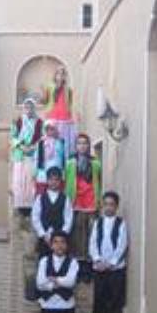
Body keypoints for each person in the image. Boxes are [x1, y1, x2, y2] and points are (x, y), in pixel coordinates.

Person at [89, 191, 128, 313]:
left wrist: (112, 263)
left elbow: (122, 244)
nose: (108, 207)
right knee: (100, 294)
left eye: (111, 205)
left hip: (115, 267)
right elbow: (93, 242)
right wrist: (97, 259)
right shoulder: (97, 222)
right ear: (102, 206)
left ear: (116, 206)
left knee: (114, 294)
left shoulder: (121, 223)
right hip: (99, 266)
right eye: (106, 204)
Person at [65, 133, 101, 281]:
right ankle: (79, 270)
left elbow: (99, 181)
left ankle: (89, 269)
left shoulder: (96, 163)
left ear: (88, 145)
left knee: (91, 236)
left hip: (91, 203)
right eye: (79, 143)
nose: (82, 146)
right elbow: (66, 181)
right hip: (76, 203)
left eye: (85, 143)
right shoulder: (70, 162)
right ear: (76, 146)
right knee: (77, 237)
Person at [10, 98, 43, 215]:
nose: (29, 110)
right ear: (23, 108)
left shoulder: (39, 122)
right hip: (20, 154)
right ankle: (19, 205)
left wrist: (33, 147)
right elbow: (12, 136)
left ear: (34, 108)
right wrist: (20, 146)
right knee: (19, 180)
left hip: (32, 155)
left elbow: (42, 138)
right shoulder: (19, 121)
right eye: (26, 107)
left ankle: (30, 207)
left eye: (31, 107)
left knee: (30, 180)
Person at [32, 166, 73, 258]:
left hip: (61, 242)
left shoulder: (65, 199)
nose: (53, 182)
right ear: (47, 180)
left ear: (60, 181)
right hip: (44, 239)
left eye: (56, 180)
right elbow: (35, 217)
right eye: (51, 179)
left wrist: (62, 236)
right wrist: (42, 234)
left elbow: (68, 218)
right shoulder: (40, 198)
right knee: (44, 262)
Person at [41, 66, 77, 160]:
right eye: (59, 73)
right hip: (52, 117)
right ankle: (50, 160)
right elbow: (44, 101)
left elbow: (70, 104)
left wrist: (71, 117)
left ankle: (63, 161)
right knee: (51, 141)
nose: (61, 76)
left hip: (65, 119)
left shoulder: (68, 89)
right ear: (55, 75)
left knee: (65, 142)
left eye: (63, 74)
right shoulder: (49, 87)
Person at [34, 120, 65, 196]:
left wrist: (64, 172)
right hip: (43, 173)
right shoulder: (41, 142)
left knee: (57, 195)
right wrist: (34, 173)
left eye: (52, 129)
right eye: (47, 129)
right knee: (42, 195)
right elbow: (36, 158)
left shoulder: (61, 142)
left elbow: (64, 157)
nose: (50, 132)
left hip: (57, 171)